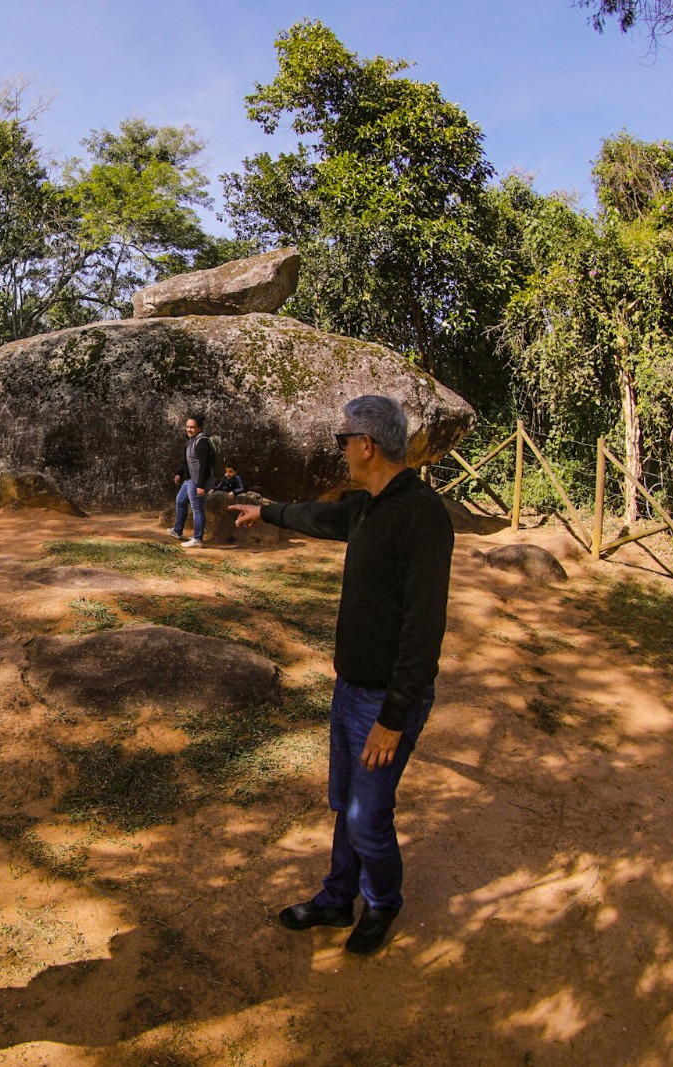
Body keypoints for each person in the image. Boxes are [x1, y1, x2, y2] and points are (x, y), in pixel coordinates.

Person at [230, 395, 453, 955]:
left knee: (368, 817)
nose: (341, 450)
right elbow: (318, 517)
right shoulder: (367, 507)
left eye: (342, 441)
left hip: (384, 703)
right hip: (350, 689)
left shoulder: (421, 515)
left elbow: (423, 632)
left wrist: (393, 718)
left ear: (367, 446)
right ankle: (336, 898)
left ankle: (383, 904)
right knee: (347, 805)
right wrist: (268, 510)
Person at [168, 414, 219, 548]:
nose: (189, 429)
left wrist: (200, 485)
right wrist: (179, 472)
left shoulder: (202, 442)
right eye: (187, 427)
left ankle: (197, 539)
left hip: (197, 481)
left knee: (197, 509)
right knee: (180, 501)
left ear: (199, 428)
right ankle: (177, 531)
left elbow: (204, 465)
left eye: (192, 427)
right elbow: (188, 460)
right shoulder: (191, 440)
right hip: (190, 479)